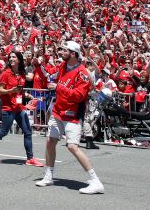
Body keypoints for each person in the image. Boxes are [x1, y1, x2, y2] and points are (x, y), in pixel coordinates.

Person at [36, 40, 104, 194]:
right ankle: (48, 175)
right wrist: (38, 61)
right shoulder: (62, 66)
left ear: (73, 53)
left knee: (72, 147)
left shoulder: (83, 73)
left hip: (72, 114)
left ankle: (95, 181)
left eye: (64, 50)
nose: (61, 52)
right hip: (58, 111)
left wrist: (59, 87)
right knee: (50, 141)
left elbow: (78, 96)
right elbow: (48, 73)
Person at [0, 51, 43, 166]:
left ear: (19, 59)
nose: (11, 59)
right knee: (3, 132)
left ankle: (30, 158)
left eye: (14, 57)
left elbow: (20, 90)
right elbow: (0, 91)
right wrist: (11, 90)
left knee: (28, 132)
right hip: (8, 107)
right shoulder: (5, 73)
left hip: (19, 107)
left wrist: (28, 96)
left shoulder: (21, 74)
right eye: (10, 57)